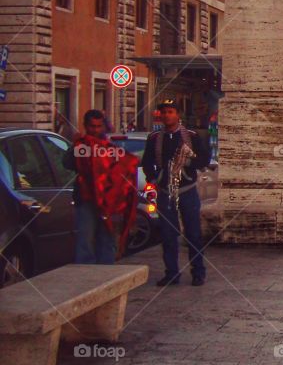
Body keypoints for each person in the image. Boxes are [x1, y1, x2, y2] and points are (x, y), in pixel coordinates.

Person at [143, 100, 211, 287]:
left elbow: (204, 158)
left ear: (178, 115)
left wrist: (188, 163)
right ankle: (171, 273)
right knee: (168, 234)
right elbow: (147, 162)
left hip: (187, 190)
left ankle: (198, 272)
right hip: (166, 192)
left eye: (170, 112)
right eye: (164, 112)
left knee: (193, 234)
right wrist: (155, 177)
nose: (167, 115)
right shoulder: (155, 138)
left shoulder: (191, 136)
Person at [64, 109, 138, 264]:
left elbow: (121, 169)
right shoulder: (81, 145)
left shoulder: (109, 147)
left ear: (103, 126)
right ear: (85, 126)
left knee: (106, 240)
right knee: (85, 240)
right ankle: (86, 278)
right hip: (86, 200)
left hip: (107, 202)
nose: (96, 130)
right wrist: (74, 146)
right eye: (92, 126)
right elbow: (68, 164)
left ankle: (106, 275)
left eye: (99, 126)